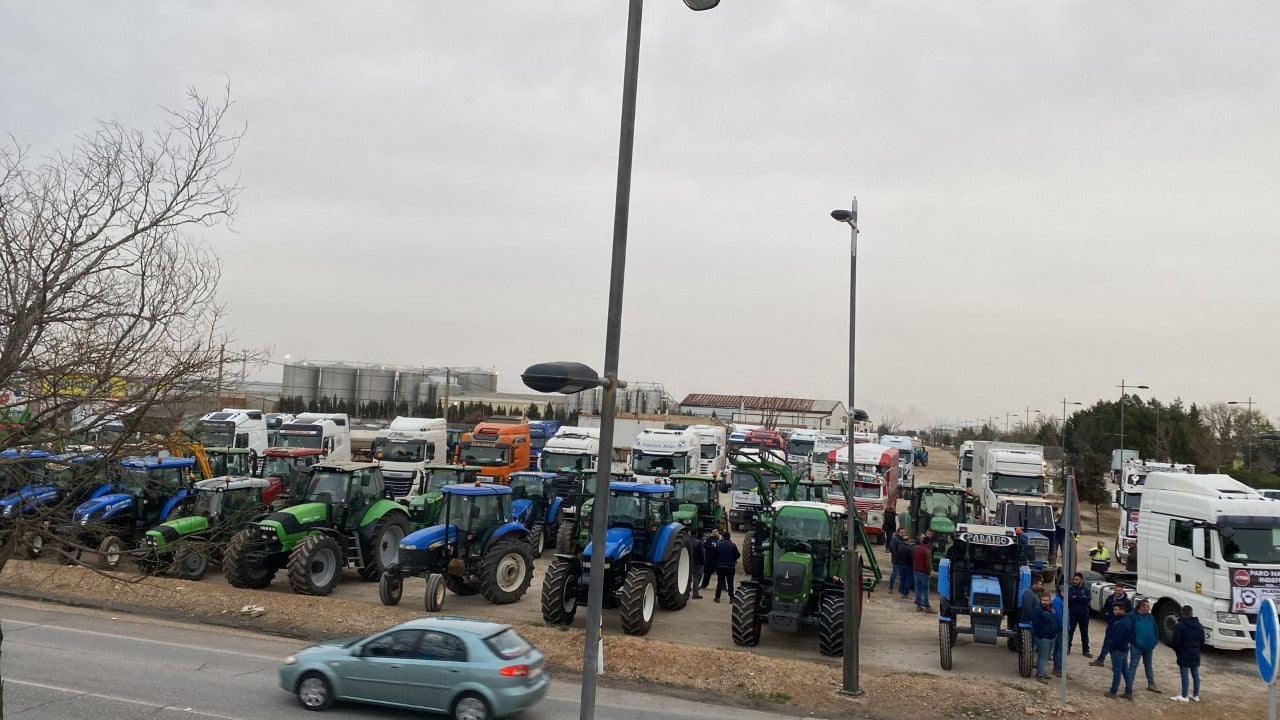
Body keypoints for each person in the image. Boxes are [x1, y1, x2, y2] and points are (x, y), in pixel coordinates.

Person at [1090, 585, 1133, 667]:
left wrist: (1122, 622)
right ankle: (1100, 660)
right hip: (1111, 626)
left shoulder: (1126, 601)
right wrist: (1107, 617)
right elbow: (1105, 609)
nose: (1117, 592)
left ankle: (1117, 664)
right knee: (1106, 643)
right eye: (1116, 590)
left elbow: (1130, 614)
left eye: (1119, 590)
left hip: (1120, 628)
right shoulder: (1110, 598)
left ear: (1123, 591)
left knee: (1118, 645)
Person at [1170, 605, 1204, 703]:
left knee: (1184, 675)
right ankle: (1196, 695)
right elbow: (1202, 639)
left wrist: (1177, 650)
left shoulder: (1180, 626)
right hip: (1195, 653)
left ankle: (1184, 695)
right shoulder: (1199, 625)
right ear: (1192, 612)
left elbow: (1176, 641)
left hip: (1183, 652)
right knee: (1195, 674)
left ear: (1182, 612)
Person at [1102, 601, 1136, 700]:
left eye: (1116, 610)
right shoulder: (1128, 620)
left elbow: (1116, 639)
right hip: (1124, 649)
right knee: (1125, 671)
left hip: (1117, 649)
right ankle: (1128, 691)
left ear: (1122, 610)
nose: (1114, 611)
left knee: (1117, 671)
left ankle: (1113, 691)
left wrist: (1111, 648)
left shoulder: (1120, 623)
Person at [1129, 598, 1160, 693]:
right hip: (1136, 646)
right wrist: (1134, 642)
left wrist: (1154, 642)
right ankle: (1128, 685)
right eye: (1147, 607)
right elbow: (1129, 631)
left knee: (1148, 666)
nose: (1149, 609)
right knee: (1133, 665)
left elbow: (1155, 629)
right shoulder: (1132, 616)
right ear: (1142, 607)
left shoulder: (1150, 616)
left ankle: (1151, 684)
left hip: (1148, 646)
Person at [1032, 592, 1060, 682]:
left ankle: (1041, 672)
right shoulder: (1037, 609)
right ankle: (1040, 675)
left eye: (1047, 600)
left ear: (1049, 600)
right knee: (1042, 657)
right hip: (1043, 637)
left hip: (1052, 637)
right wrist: (1039, 635)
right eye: (1043, 600)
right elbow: (1035, 624)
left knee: (1046, 656)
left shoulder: (1051, 609)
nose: (1045, 602)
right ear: (1040, 600)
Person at [1067, 572, 1093, 657]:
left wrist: (1076, 598)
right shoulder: (1070, 588)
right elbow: (1070, 599)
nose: (1074, 581)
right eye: (1074, 579)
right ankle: (1067, 648)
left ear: (1081, 580)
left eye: (1076, 579)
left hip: (1083, 614)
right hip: (1072, 614)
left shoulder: (1086, 589)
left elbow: (1088, 599)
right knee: (1070, 632)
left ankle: (1086, 650)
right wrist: (1081, 598)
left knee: (1084, 632)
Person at [713, 530, 740, 603]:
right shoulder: (733, 545)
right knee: (730, 583)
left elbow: (714, 555)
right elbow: (738, 555)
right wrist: (733, 559)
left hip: (720, 566)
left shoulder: (718, 544)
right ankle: (731, 598)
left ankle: (717, 597)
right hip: (730, 567)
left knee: (720, 582)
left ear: (723, 537)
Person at [912, 532, 934, 612]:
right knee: (925, 589)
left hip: (916, 571)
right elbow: (928, 564)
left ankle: (918, 606)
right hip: (924, 572)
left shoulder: (916, 548)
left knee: (918, 588)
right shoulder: (927, 551)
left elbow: (913, 558)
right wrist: (929, 571)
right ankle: (927, 607)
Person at [886, 528, 907, 597]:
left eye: (904, 532)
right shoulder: (895, 539)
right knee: (895, 574)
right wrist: (897, 557)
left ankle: (901, 589)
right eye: (901, 532)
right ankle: (891, 587)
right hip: (897, 560)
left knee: (902, 575)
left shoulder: (903, 539)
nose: (903, 533)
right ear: (898, 533)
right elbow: (892, 549)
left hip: (902, 560)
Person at [895, 529, 914, 598]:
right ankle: (905, 593)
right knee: (909, 579)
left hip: (901, 564)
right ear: (908, 540)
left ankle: (901, 591)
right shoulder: (909, 548)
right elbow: (912, 558)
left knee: (903, 579)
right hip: (908, 565)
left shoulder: (900, 546)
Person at [688, 532, 705, 600]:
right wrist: (703, 562)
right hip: (697, 563)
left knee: (688, 578)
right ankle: (695, 594)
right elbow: (701, 554)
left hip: (688, 562)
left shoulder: (687, 541)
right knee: (696, 578)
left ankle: (687, 591)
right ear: (696, 533)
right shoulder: (698, 542)